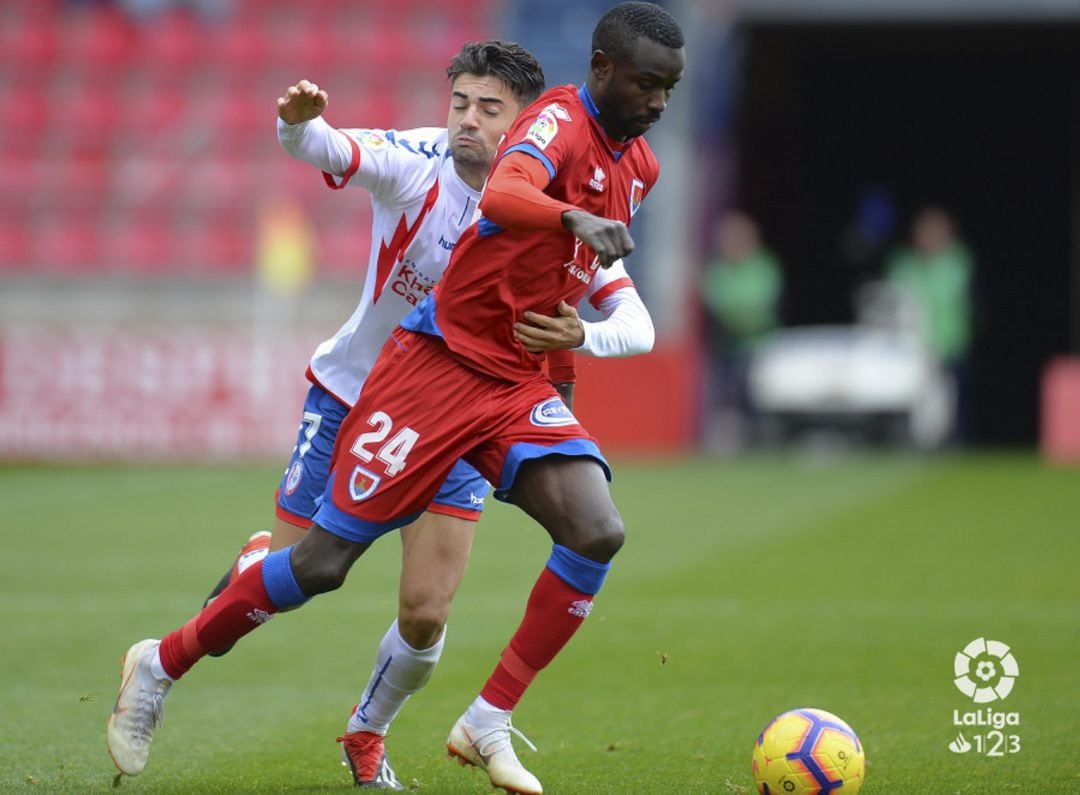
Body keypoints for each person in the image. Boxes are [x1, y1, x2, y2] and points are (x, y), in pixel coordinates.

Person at [108, 4, 685, 794]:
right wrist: (297, 125)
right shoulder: (511, 140)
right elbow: (366, 155)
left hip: (508, 384)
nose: (658, 102)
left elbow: (613, 295)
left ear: (513, 117)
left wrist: (580, 337)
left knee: (581, 537)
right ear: (600, 75)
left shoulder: (635, 169)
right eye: (462, 103)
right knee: (315, 567)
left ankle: (454, 724)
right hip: (418, 374)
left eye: (490, 108)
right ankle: (163, 660)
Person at [883, 205, 975, 443]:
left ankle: (955, 444)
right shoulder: (903, 264)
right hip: (911, 350)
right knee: (913, 404)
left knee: (952, 404)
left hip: (950, 347)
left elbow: (972, 305)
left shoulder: (959, 262)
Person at [699, 210, 783, 448]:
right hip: (725, 347)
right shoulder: (717, 269)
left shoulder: (764, 266)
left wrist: (740, 313)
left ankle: (763, 443)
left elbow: (760, 303)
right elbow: (717, 301)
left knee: (759, 396)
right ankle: (729, 445)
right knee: (725, 397)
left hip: (759, 347)